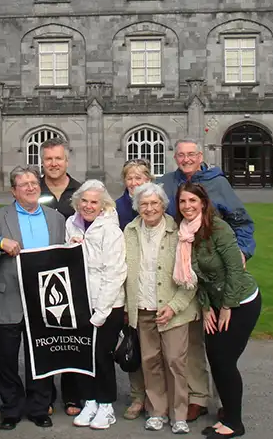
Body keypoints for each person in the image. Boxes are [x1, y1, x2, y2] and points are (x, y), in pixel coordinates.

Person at [158, 138, 257, 422]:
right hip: (186, 273)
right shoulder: (166, 182)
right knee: (192, 340)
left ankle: (227, 402)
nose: (186, 159)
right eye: (181, 154)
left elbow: (243, 222)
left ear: (200, 156)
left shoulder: (217, 184)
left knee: (220, 349)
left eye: (192, 154)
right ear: (174, 157)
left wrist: (242, 253)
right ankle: (198, 397)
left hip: (218, 274)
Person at [0, 165, 66, 431]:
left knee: (41, 356)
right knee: (6, 358)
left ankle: (39, 407)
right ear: (14, 191)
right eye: (23, 184)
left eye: (33, 183)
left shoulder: (55, 218)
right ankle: (12, 408)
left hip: (45, 299)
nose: (30, 187)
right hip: (8, 297)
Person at [177, 183, 261, 438]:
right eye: (182, 201)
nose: (187, 206)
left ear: (203, 202)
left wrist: (227, 306)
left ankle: (234, 423)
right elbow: (197, 277)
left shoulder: (218, 229)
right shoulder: (185, 234)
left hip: (241, 301)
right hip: (213, 303)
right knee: (215, 358)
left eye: (193, 200)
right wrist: (205, 307)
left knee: (224, 361)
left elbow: (236, 269)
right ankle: (228, 411)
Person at [123, 182, 199, 434]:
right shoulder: (130, 230)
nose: (149, 208)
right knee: (150, 361)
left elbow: (191, 277)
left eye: (154, 203)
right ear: (137, 207)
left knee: (176, 361)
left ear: (163, 205)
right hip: (143, 308)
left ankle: (179, 415)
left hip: (172, 310)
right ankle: (157, 411)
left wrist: (174, 306)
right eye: (143, 204)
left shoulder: (179, 231)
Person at [65, 180, 127, 430]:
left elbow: (115, 272)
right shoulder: (71, 224)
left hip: (108, 304)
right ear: (77, 202)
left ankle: (106, 404)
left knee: (101, 355)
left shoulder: (111, 230)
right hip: (80, 301)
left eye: (94, 202)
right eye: (85, 201)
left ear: (103, 205)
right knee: (82, 354)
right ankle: (89, 400)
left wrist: (101, 311)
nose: (88, 206)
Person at [36, 136, 83, 416]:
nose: (53, 164)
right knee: (44, 336)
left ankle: (73, 395)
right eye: (48, 159)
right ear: (42, 162)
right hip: (39, 273)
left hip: (74, 273)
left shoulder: (80, 191)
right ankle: (46, 395)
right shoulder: (33, 189)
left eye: (58, 159)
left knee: (71, 336)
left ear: (67, 160)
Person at [114, 159, 154, 420]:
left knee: (157, 348)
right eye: (130, 177)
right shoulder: (117, 208)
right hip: (127, 283)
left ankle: (156, 397)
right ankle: (138, 396)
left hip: (154, 284)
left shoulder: (159, 205)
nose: (134, 182)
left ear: (148, 179)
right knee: (134, 344)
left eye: (139, 177)